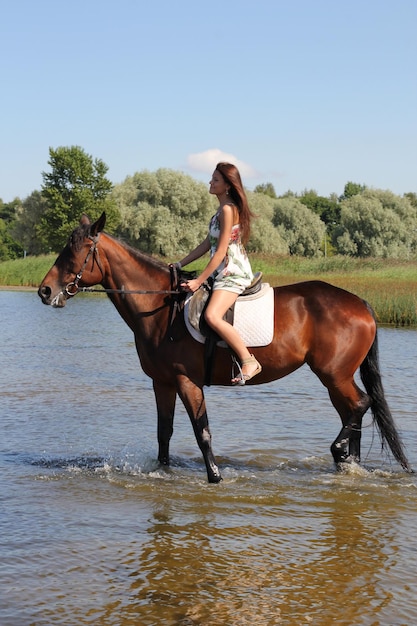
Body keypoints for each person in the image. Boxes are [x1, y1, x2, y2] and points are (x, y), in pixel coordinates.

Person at [175, 162, 262, 385]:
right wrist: (179, 263)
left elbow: (221, 250)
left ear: (227, 186)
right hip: (222, 272)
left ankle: (248, 360)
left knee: (212, 316)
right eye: (211, 179)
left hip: (232, 272)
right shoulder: (220, 210)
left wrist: (198, 281)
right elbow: (208, 244)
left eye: (216, 180)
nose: (210, 183)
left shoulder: (227, 209)